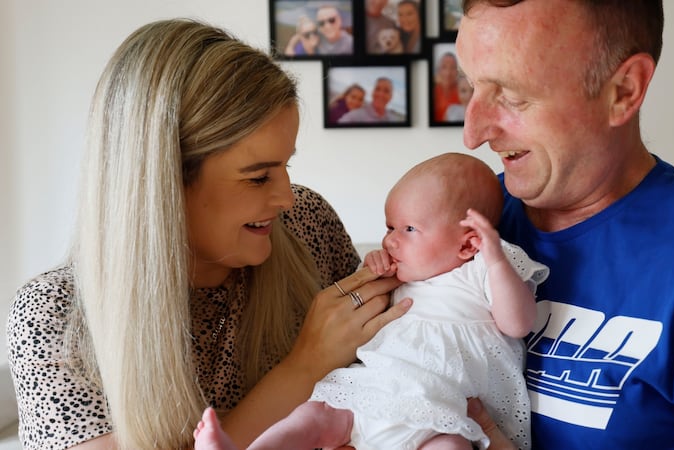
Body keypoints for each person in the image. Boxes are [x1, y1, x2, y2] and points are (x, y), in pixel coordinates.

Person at [6, 18, 409, 450]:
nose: (287, 198)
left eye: (286, 166)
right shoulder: (54, 318)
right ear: (163, 184)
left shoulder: (307, 225)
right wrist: (303, 367)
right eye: (258, 178)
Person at [456, 1, 674, 449]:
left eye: (513, 96)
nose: (473, 132)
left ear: (623, 90)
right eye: (470, 85)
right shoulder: (459, 225)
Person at [193, 152, 549, 449]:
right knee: (312, 416)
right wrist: (373, 268)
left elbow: (517, 324)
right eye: (389, 227)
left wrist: (497, 262)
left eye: (408, 229)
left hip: (442, 414)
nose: (391, 241)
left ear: (469, 243)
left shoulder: (485, 268)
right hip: (370, 394)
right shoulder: (403, 275)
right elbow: (359, 306)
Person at [338, 77, 404, 124]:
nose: (380, 94)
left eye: (386, 91)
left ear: (391, 96)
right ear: (372, 92)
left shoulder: (393, 119)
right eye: (377, 89)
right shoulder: (356, 115)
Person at [432, 52, 461, 123]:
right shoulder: (433, 92)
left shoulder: (464, 92)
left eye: (452, 67)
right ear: (439, 70)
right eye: (444, 67)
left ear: (457, 71)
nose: (448, 73)